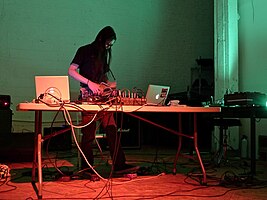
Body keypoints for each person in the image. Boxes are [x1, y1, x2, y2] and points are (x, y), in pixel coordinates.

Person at [68, 26, 138, 178]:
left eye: (110, 45)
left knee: (112, 130)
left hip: (103, 99)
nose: (108, 47)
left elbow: (103, 75)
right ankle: (87, 169)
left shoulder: (103, 54)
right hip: (88, 98)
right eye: (108, 44)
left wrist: (107, 85)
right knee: (88, 135)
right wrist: (89, 83)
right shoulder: (84, 50)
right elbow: (71, 71)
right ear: (101, 39)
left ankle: (119, 165)